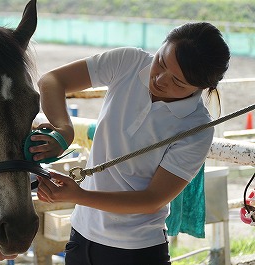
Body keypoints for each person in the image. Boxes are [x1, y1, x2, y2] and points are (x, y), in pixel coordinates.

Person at [30, 22, 230, 265]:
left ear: (202, 87)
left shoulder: (196, 127)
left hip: (136, 250)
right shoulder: (129, 62)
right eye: (161, 61)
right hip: (81, 237)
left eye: (178, 82)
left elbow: (151, 200)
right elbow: (52, 80)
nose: (159, 78)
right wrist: (64, 130)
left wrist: (79, 195)